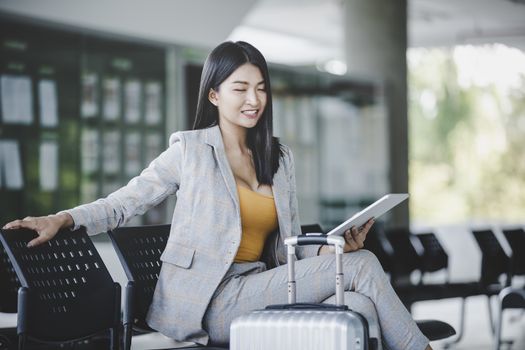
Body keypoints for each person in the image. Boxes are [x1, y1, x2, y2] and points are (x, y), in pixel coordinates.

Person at [3, 41, 432, 350]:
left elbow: (286, 252)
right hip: (214, 302)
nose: (253, 99)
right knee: (364, 267)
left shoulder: (277, 157)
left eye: (261, 87)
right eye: (240, 88)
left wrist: (329, 254)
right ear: (214, 94)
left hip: (262, 283)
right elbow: (122, 204)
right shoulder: (189, 150)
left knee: (356, 299)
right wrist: (63, 218)